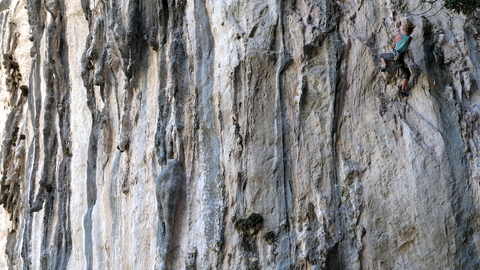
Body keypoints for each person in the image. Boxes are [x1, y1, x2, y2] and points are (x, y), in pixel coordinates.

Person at [380, 19, 416, 96]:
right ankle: (402, 90)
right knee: (407, 74)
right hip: (400, 59)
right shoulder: (410, 39)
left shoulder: (398, 36)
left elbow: (392, 46)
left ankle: (385, 66)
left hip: (393, 56)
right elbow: (405, 42)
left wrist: (394, 40)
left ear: (403, 29)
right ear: (411, 31)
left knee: (382, 56)